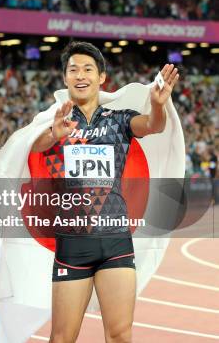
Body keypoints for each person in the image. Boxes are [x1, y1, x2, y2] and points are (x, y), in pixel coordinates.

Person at [30, 41, 179, 343]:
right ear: (65, 78)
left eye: (88, 69)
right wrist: (51, 135)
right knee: (61, 338)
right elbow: (28, 150)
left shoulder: (119, 120)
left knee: (120, 335)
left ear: (101, 77)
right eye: (73, 70)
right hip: (72, 245)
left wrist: (159, 105)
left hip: (115, 242)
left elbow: (152, 125)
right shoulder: (54, 122)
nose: (80, 75)